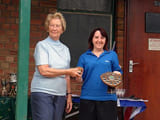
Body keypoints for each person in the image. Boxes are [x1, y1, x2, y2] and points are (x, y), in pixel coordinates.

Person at [31, 12, 82, 120]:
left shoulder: (65, 49)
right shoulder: (42, 45)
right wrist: (67, 71)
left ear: (62, 29)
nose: (54, 28)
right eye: (52, 25)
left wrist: (68, 95)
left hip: (60, 95)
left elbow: (67, 76)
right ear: (47, 28)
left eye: (57, 26)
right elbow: (44, 71)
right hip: (43, 93)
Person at [76, 28, 123, 120]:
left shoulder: (112, 55)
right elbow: (80, 77)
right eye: (96, 37)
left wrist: (117, 74)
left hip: (108, 98)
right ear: (92, 39)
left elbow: (118, 72)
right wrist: (78, 77)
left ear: (105, 40)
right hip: (88, 97)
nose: (99, 40)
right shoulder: (84, 57)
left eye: (102, 38)